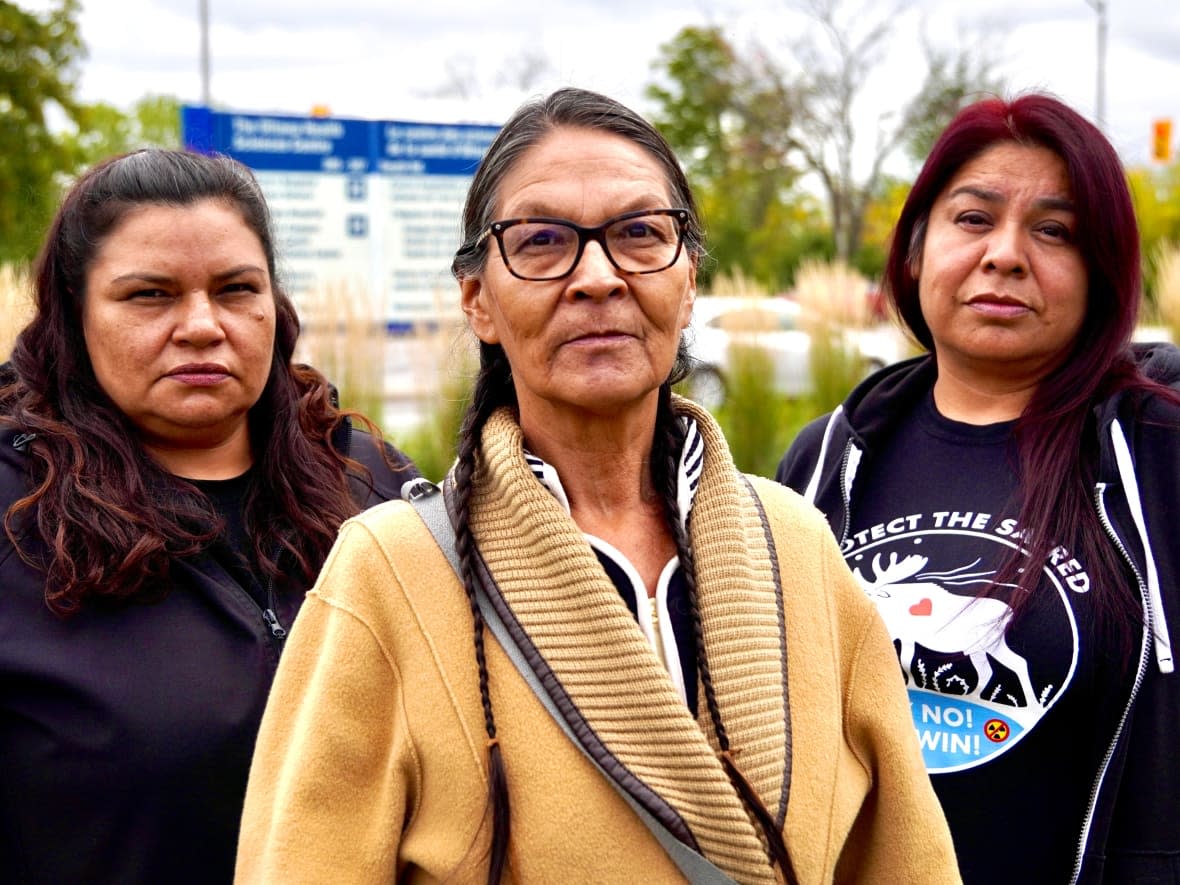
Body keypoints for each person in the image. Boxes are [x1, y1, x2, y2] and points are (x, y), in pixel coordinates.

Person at [236, 86, 958, 885]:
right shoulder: (391, 573)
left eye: (640, 234)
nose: (597, 276)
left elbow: (904, 859)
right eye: (542, 241)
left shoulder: (797, 546)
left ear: (688, 284)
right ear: (478, 299)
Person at [777, 92, 1180, 884]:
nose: (1006, 254)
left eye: (1054, 231)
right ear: (916, 249)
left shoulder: (1158, 448)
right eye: (973, 218)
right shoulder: (827, 458)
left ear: (1101, 274)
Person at [0, 148, 419, 883]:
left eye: (234, 289)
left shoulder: (370, 483)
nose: (201, 325)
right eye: (149, 295)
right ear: (74, 314)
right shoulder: (15, 516)